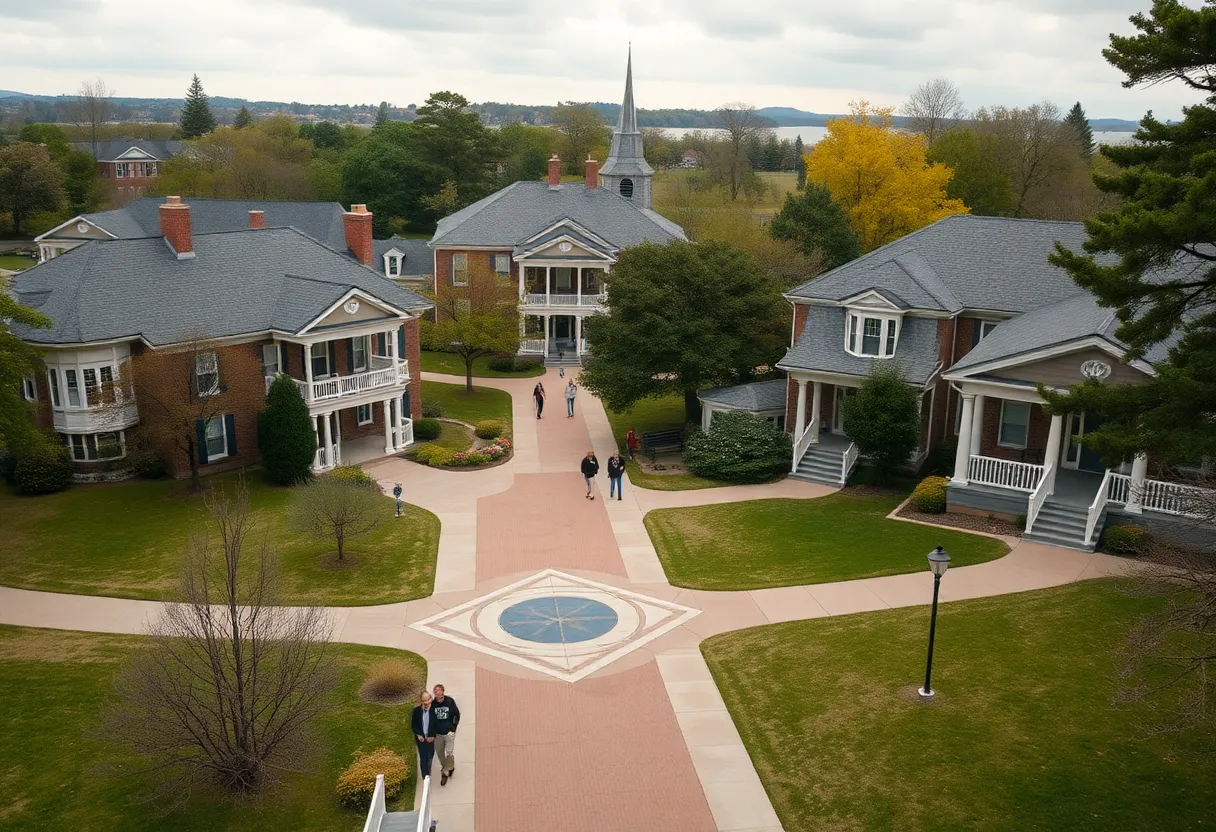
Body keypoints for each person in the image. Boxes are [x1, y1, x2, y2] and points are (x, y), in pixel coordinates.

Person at [431, 683, 461, 785]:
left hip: (448, 733)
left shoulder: (449, 701)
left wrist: (453, 729)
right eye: (435, 691)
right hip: (438, 734)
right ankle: (447, 767)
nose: (436, 693)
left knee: (449, 753)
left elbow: (457, 714)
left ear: (443, 692)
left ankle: (446, 772)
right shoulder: (432, 704)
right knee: (440, 754)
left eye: (438, 691)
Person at [410, 690, 437, 779]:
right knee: (423, 756)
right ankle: (425, 775)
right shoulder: (416, 711)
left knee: (430, 755)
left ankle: (428, 771)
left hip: (431, 738)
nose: (425, 703)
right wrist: (418, 735)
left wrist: (433, 736)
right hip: (421, 739)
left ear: (431, 699)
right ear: (421, 701)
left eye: (427, 700)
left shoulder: (435, 711)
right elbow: (413, 725)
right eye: (423, 700)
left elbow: (438, 724)